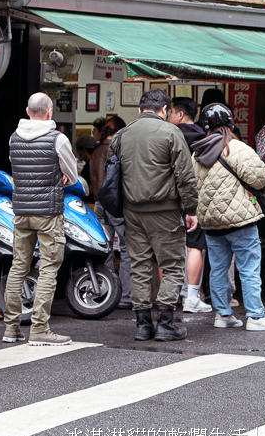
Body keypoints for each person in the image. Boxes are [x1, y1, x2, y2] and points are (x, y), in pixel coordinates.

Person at [112, 89, 199, 341]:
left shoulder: (121, 135)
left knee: (139, 265)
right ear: (164, 110)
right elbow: (185, 176)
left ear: (140, 110)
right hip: (164, 210)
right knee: (171, 265)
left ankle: (142, 325)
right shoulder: (171, 132)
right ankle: (165, 323)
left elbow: (112, 175)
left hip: (131, 211)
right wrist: (191, 209)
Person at [190, 103, 265, 331]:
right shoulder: (237, 148)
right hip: (240, 220)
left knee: (218, 269)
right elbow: (261, 179)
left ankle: (223, 314)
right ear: (230, 123)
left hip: (211, 222)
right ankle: (255, 316)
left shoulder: (197, 153)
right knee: (248, 268)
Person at [4, 92, 79, 346]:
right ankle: (39, 328)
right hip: (48, 213)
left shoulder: (14, 138)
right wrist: (63, 176)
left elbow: (18, 168)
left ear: (28, 111)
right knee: (48, 267)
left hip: (21, 211)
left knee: (18, 267)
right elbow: (73, 174)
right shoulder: (57, 139)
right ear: (49, 112)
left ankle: (11, 328)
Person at [169, 96, 212, 314]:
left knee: (166, 247)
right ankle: (192, 297)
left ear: (180, 114)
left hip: (168, 200)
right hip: (195, 199)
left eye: (170, 112)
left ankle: (168, 297)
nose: (168, 116)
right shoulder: (204, 138)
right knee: (195, 246)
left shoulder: (169, 136)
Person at [91, 116, 131, 310]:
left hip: (99, 204)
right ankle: (124, 297)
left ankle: (106, 293)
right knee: (126, 251)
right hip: (116, 204)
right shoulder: (118, 149)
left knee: (105, 250)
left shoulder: (96, 151)